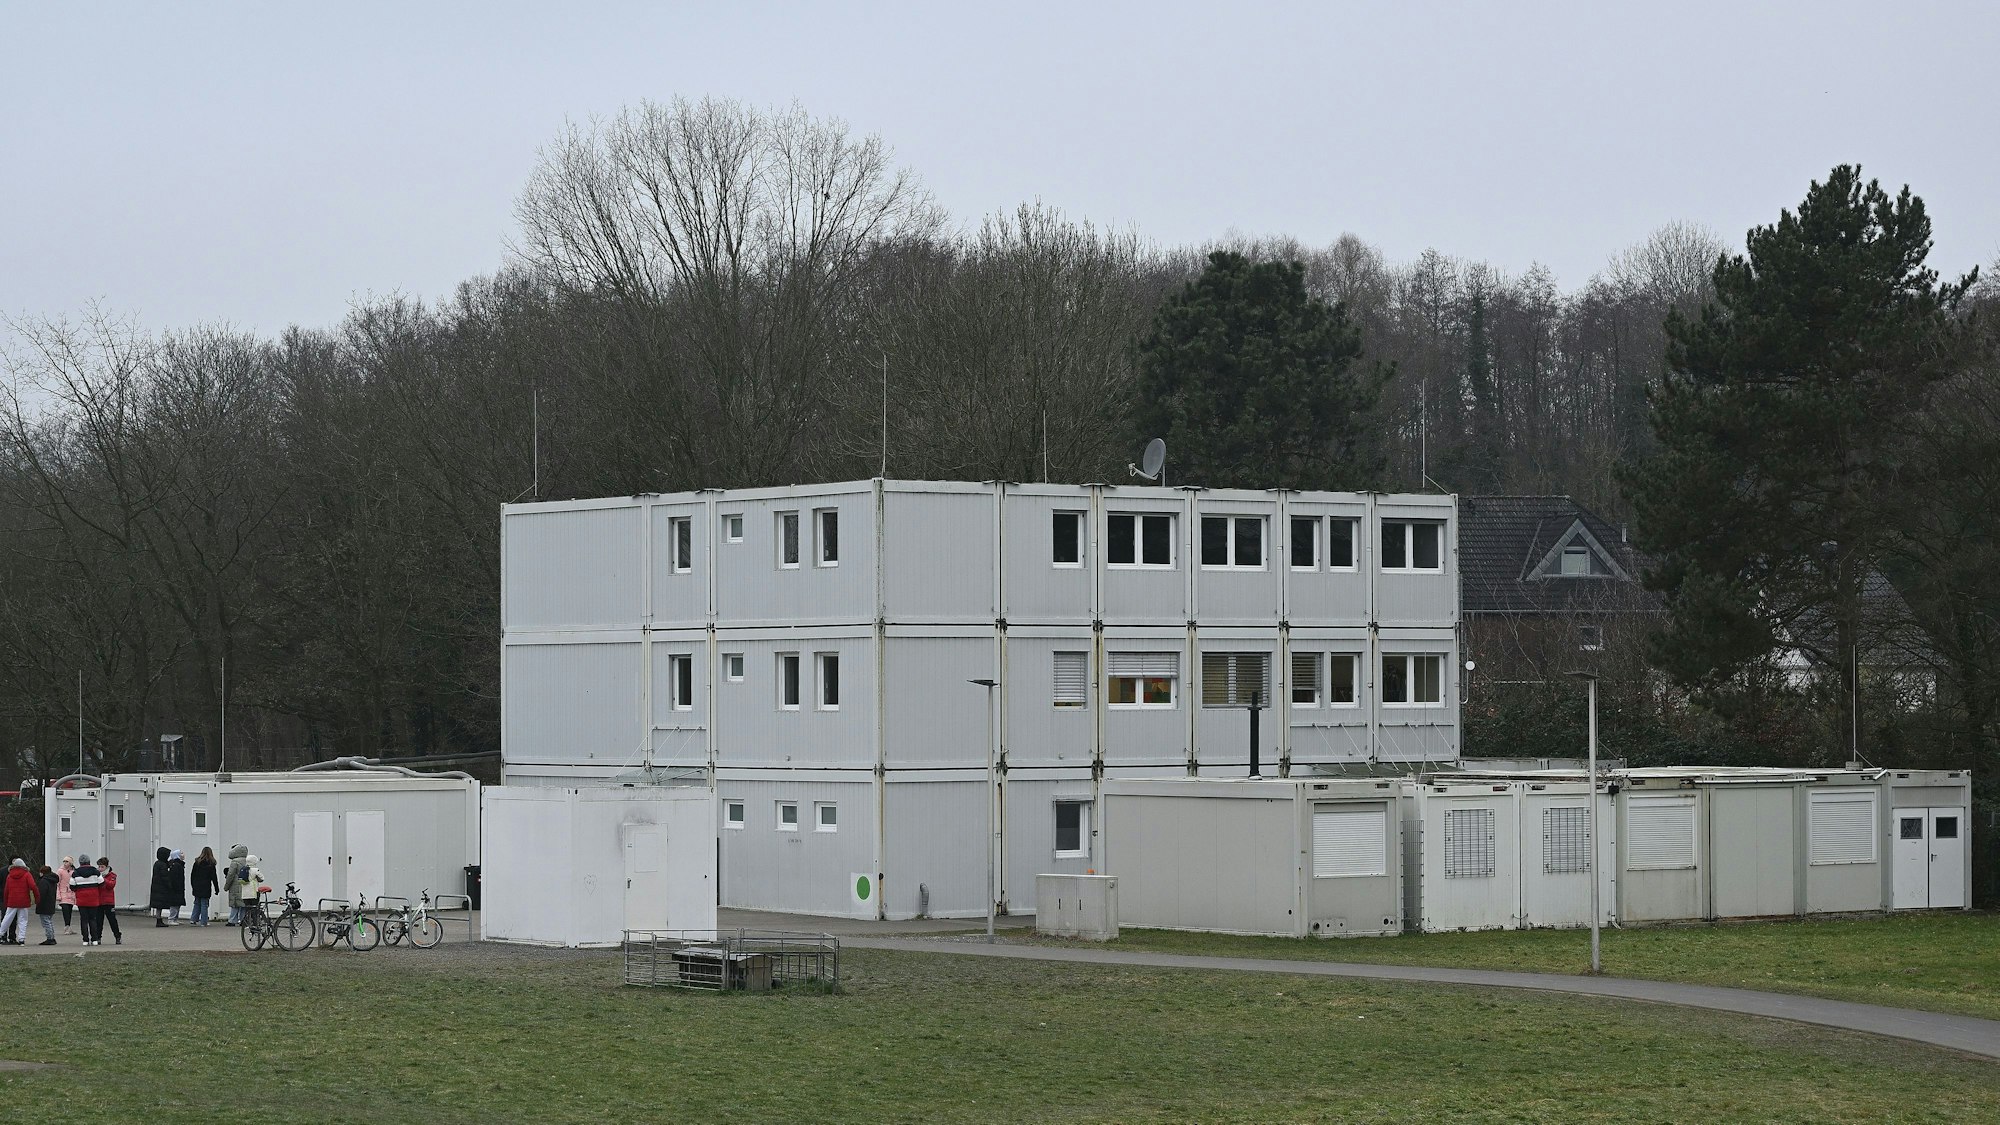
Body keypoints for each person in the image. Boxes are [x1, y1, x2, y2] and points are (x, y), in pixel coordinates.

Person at [70, 856, 104, 945]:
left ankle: (85, 940)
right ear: (89, 862)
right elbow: (102, 884)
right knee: (93, 919)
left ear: (80, 862)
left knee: (83, 920)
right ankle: (95, 939)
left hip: (81, 900)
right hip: (93, 899)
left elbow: (72, 886)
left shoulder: (75, 873)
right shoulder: (96, 872)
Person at [1, 859, 35, 944]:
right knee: (22, 920)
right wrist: (36, 898)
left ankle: (1, 933)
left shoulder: (10, 875)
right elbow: (33, 886)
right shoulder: (27, 874)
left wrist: (6, 901)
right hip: (24, 901)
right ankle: (21, 939)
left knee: (7, 918)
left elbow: (6, 890)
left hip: (12, 900)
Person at [189, 847, 218, 927]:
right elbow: (214, 877)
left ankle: (193, 919)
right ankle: (203, 921)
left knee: (197, 902)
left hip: (197, 885)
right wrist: (216, 888)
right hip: (206, 886)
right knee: (204, 904)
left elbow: (192, 875)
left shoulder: (197, 863)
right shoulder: (211, 864)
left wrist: (193, 885)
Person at [149, 846, 177, 927]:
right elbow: (165, 876)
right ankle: (159, 920)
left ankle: (159, 919)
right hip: (161, 888)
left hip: (157, 887)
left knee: (159, 905)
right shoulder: (162, 865)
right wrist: (170, 885)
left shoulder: (158, 863)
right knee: (159, 905)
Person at [223, 843, 250, 926]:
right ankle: (243, 920)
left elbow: (230, 874)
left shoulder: (234, 862)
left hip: (235, 885)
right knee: (243, 904)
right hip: (245, 885)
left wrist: (226, 886)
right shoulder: (247, 861)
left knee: (234, 904)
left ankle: (232, 920)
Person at [98, 857, 122, 945]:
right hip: (99, 901)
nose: (100, 869)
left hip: (109, 902)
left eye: (102, 867)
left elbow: (111, 885)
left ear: (106, 867)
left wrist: (103, 879)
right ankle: (98, 937)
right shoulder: (97, 876)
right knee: (99, 921)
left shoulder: (112, 875)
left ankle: (117, 936)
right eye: (99, 867)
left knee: (112, 920)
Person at [33, 864, 58, 945]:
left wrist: (38, 902)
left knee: (46, 922)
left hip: (44, 905)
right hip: (51, 903)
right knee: (49, 921)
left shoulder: (44, 881)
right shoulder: (53, 881)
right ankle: (51, 937)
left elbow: (41, 894)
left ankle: (50, 938)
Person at [57, 857, 76, 934]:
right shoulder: (60, 871)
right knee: (65, 909)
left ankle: (68, 926)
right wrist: (58, 895)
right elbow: (57, 884)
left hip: (71, 894)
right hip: (63, 893)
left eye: (67, 861)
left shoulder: (74, 871)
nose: (65, 863)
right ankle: (66, 926)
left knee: (69, 910)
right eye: (64, 861)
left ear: (70, 863)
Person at [168, 850, 187, 922]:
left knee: (177, 904)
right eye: (181, 853)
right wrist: (177, 887)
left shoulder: (178, 865)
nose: (183, 855)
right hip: (176, 888)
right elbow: (174, 878)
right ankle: (171, 919)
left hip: (178, 888)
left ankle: (175, 918)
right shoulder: (176, 865)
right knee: (174, 904)